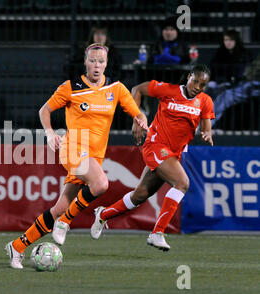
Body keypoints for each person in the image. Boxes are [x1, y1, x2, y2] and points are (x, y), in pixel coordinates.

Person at [5, 43, 148, 269]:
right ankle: (66, 222)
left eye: (101, 61)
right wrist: (50, 133)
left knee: (60, 206)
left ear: (107, 63)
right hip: (72, 148)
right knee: (100, 184)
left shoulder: (116, 88)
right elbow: (44, 110)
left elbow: (137, 112)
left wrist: (140, 120)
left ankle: (18, 246)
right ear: (85, 61)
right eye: (93, 61)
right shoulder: (71, 87)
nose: (97, 66)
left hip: (94, 156)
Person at [90, 64, 215, 251]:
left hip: (173, 154)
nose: (197, 86)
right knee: (182, 183)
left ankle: (103, 214)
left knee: (140, 195)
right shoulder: (168, 90)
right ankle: (157, 233)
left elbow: (206, 127)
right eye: (195, 81)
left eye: (202, 84)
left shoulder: (205, 101)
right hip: (156, 146)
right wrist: (137, 118)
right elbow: (137, 89)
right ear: (188, 77)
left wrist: (207, 134)